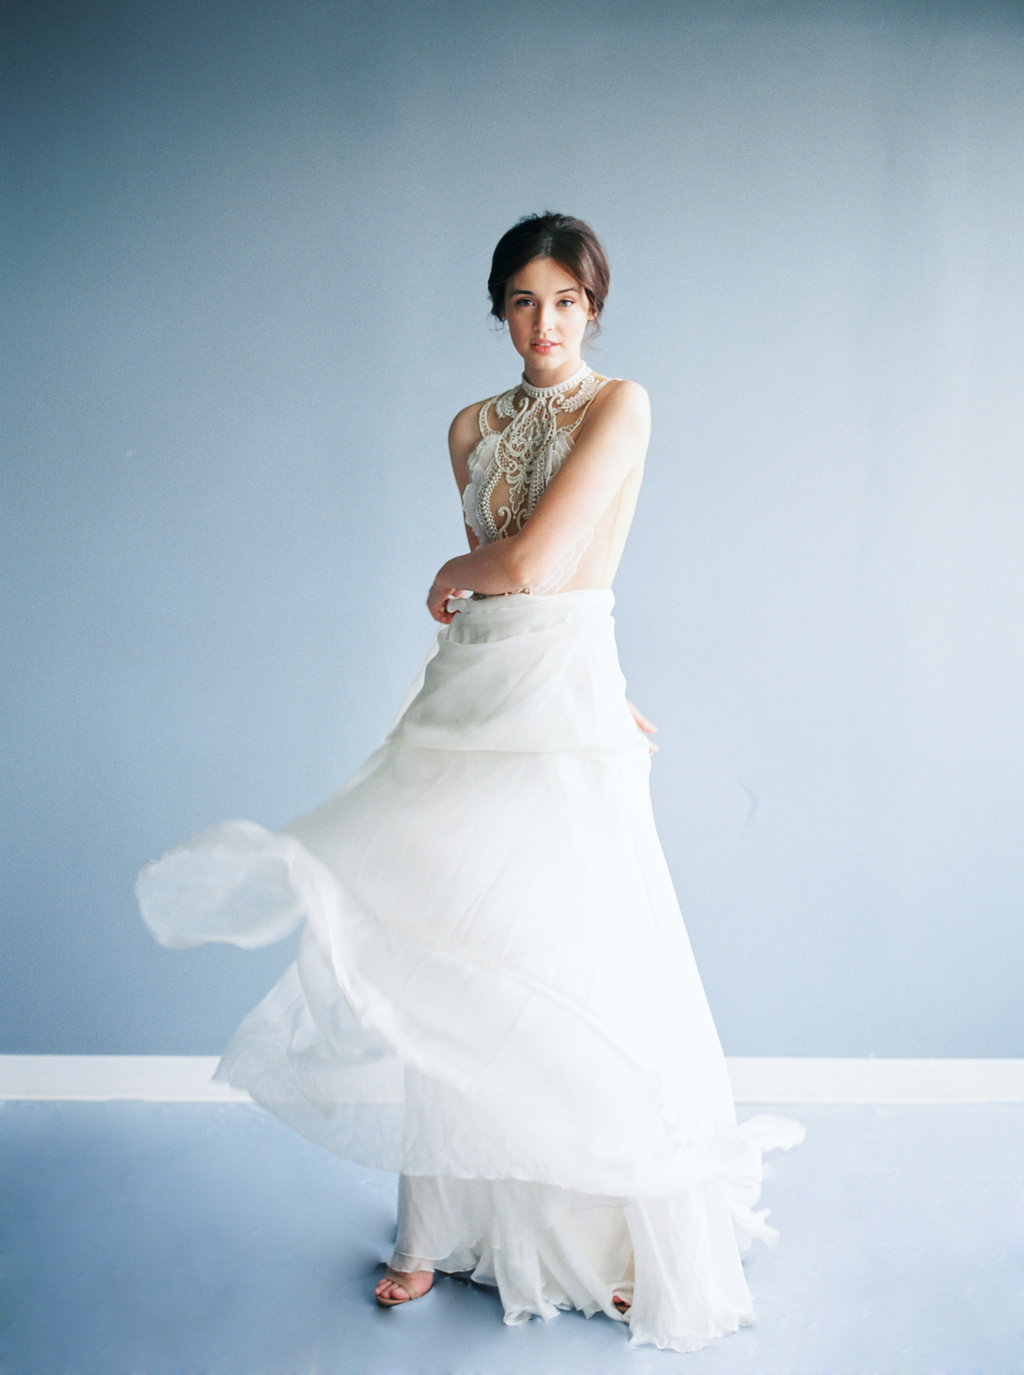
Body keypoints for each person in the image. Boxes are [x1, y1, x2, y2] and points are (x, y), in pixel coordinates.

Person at [137, 212, 803, 1354]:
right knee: (447, 955)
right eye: (523, 302)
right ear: (499, 310)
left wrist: (481, 591)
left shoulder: (623, 403)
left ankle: (624, 1233)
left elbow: (540, 563)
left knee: (584, 960)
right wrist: (490, 596)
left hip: (561, 697)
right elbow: (505, 593)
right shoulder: (467, 426)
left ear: (594, 308)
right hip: (472, 689)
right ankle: (431, 1230)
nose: (545, 323)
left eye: (565, 301)